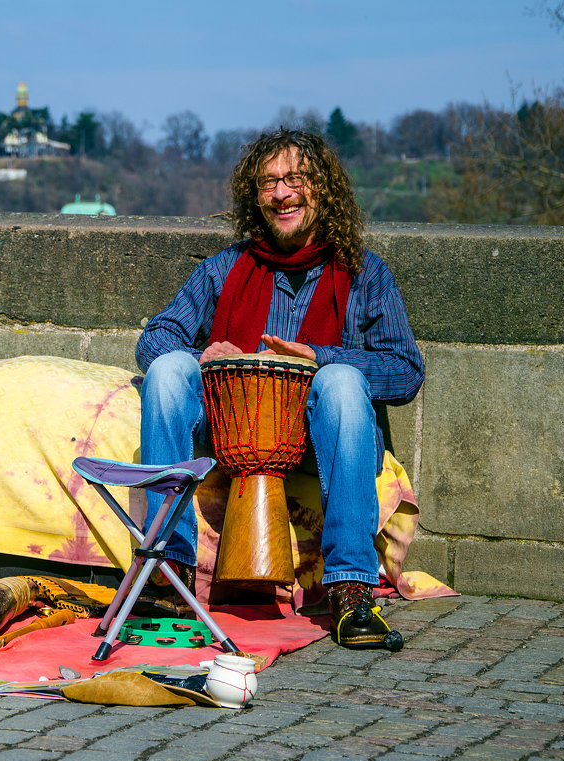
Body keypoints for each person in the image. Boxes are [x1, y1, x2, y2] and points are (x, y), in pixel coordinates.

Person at [135, 128, 424, 649]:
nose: (281, 193)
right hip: (233, 432)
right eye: (269, 182)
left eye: (295, 178)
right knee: (167, 369)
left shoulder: (364, 273)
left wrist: (322, 358)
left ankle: (352, 589)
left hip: (319, 440)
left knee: (340, 381)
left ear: (323, 189)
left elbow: (405, 370)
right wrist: (204, 357)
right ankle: (168, 577)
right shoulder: (225, 269)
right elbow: (156, 336)